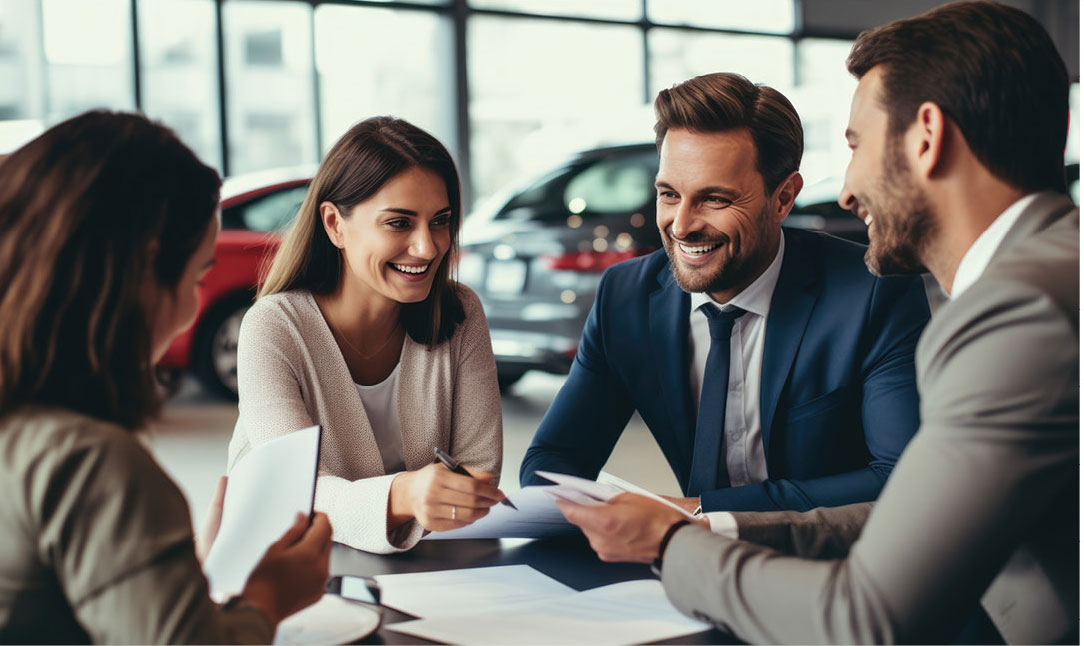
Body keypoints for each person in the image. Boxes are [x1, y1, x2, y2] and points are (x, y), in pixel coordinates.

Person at [555, 2, 1078, 643]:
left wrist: (670, 542)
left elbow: (867, 614)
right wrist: (706, 526)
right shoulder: (1056, 274)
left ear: (927, 137)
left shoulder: (1018, 312)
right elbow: (912, 519)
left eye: (856, 145)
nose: (848, 189)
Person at [521, 72, 930, 521]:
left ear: (783, 198)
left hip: (834, 551)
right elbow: (551, 461)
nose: (681, 225)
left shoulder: (874, 291)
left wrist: (699, 512)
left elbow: (902, 476)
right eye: (669, 194)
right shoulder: (626, 296)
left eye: (714, 199)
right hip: (684, 558)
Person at [0, 111, 332, 643]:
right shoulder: (89, 464)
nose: (191, 311)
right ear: (145, 272)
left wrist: (167, 577)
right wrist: (268, 595)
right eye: (199, 276)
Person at [228, 116, 506, 554]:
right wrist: (404, 495)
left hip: (422, 572)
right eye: (399, 223)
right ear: (335, 224)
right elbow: (289, 490)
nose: (428, 247)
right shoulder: (274, 327)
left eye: (440, 221)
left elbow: (478, 472)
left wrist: (429, 498)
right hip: (288, 565)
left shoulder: (460, 313)